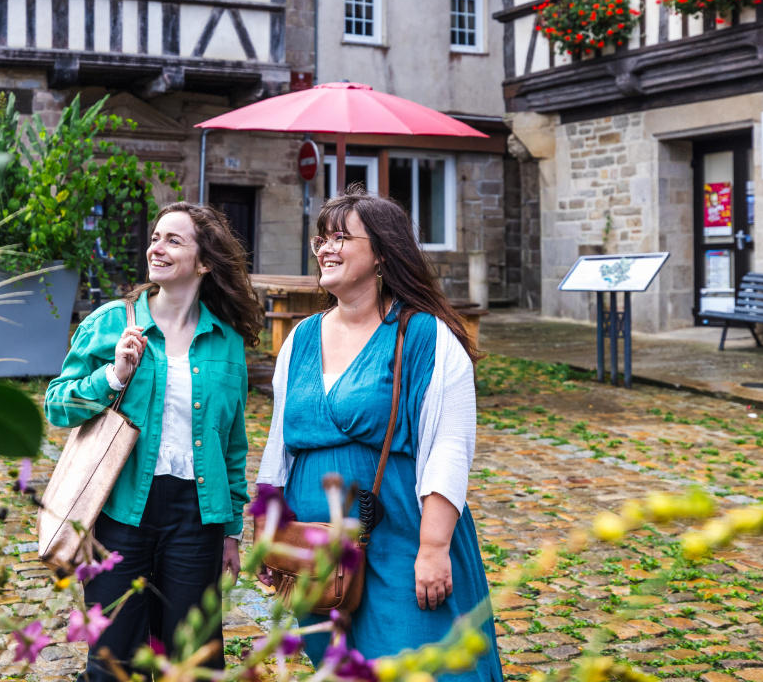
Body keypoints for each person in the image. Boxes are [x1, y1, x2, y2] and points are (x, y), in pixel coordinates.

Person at [255, 185, 502, 679]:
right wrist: (268, 527)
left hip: (400, 533)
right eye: (321, 239)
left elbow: (451, 447)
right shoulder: (300, 337)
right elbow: (278, 445)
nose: (326, 248)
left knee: (421, 661)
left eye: (341, 238)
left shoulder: (425, 336)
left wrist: (433, 548)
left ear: (383, 254)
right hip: (315, 541)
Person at [45, 202, 263, 682]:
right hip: (121, 511)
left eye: (172, 240)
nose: (155, 248)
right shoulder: (110, 323)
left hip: (197, 519)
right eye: (156, 237)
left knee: (190, 659)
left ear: (204, 263)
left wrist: (230, 531)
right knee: (112, 658)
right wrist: (111, 376)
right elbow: (56, 405)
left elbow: (232, 444)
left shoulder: (225, 341)